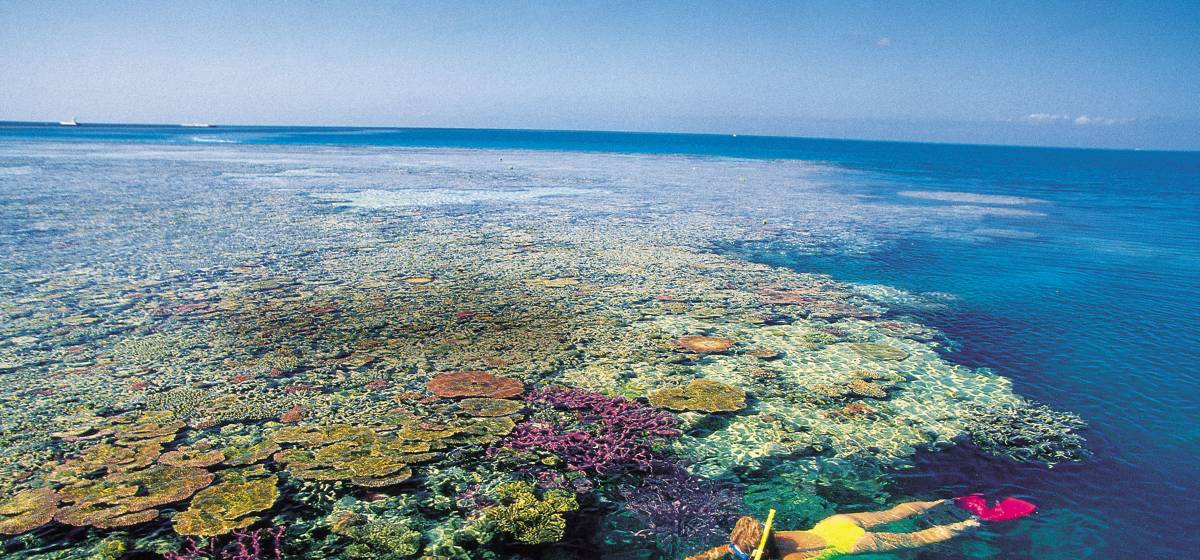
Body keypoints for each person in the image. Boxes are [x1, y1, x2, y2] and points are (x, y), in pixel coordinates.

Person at [686, 499, 982, 560]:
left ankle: (970, 523)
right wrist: (700, 558)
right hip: (835, 523)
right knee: (892, 513)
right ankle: (941, 502)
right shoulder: (775, 537)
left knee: (916, 538)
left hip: (852, 542)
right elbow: (731, 547)